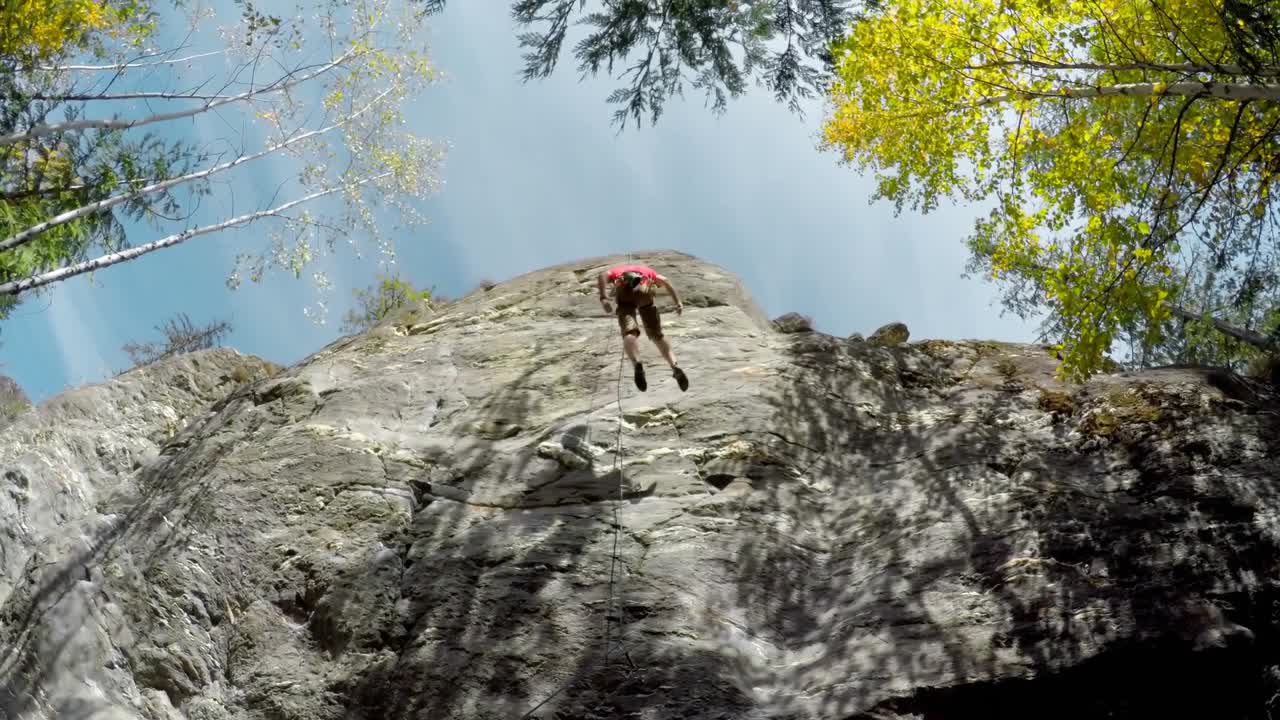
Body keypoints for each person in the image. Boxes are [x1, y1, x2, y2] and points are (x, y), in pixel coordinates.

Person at [597, 263, 689, 392]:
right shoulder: (648, 271)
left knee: (629, 333)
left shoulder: (617, 271)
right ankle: (674, 365)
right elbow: (665, 281)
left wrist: (603, 298)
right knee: (657, 335)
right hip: (644, 290)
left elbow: (602, 275)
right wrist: (678, 302)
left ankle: (637, 363)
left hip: (624, 292)